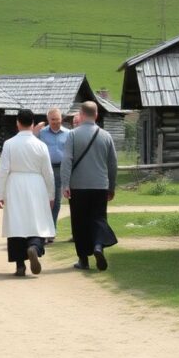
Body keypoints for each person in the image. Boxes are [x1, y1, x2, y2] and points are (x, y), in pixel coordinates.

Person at [0, 109, 56, 276]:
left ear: (17, 123)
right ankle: (34, 247)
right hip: (36, 184)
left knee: (16, 223)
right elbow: (48, 173)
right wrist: (51, 195)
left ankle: (20, 265)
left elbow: (3, 171)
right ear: (32, 124)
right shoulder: (41, 145)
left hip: (15, 184)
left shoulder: (9, 144)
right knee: (36, 221)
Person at [60, 101, 119, 271]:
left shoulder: (72, 134)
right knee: (98, 219)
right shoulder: (106, 135)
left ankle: (83, 260)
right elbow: (112, 164)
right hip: (100, 185)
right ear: (97, 115)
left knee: (79, 222)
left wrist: (65, 183)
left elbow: (67, 160)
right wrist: (112, 186)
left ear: (81, 114)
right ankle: (98, 246)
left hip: (78, 186)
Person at [34, 107, 69, 244]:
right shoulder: (41, 133)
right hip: (44, 170)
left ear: (62, 119)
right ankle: (42, 231)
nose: (55, 122)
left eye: (57, 119)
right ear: (48, 120)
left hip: (60, 169)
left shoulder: (68, 133)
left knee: (56, 201)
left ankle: (52, 230)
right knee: (44, 200)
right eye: (52, 119)